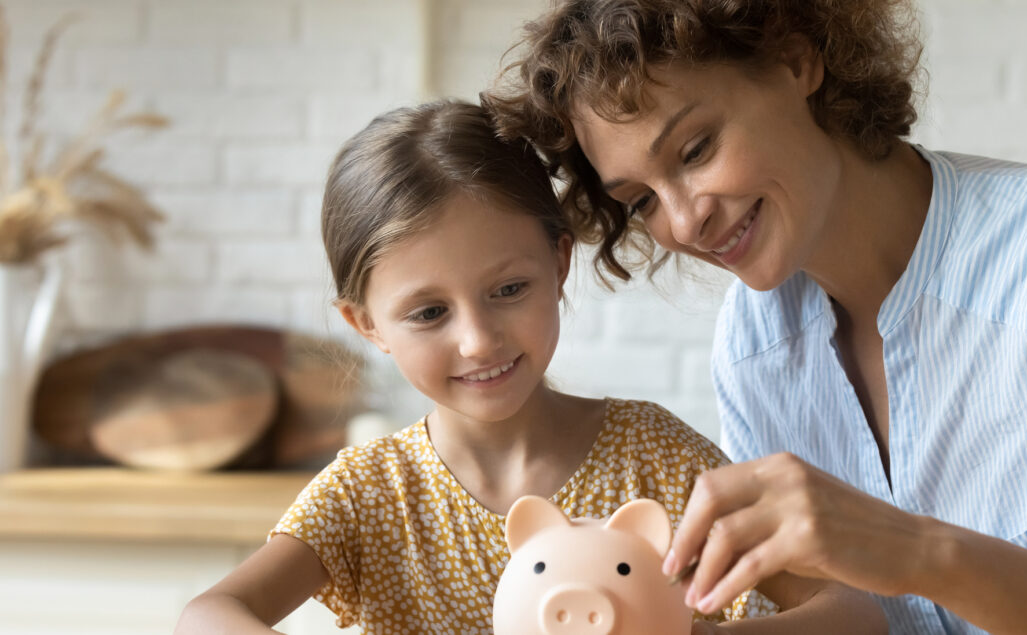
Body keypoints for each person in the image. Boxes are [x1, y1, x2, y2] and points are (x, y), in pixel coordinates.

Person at [486, 1, 1027, 634]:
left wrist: (911, 549)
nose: (685, 221)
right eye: (641, 201)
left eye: (695, 150)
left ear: (795, 58)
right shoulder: (756, 336)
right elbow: (864, 617)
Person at [172, 100, 886, 635]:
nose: (479, 341)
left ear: (558, 262)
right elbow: (209, 612)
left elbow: (855, 613)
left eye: (508, 290)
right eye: (428, 313)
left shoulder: (655, 461)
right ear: (366, 325)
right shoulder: (368, 494)